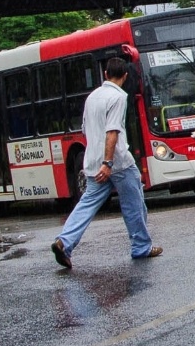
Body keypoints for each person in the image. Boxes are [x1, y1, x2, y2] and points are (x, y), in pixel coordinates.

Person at [51, 56, 162, 270]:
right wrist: (108, 162)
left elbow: (85, 130)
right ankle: (141, 247)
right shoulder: (118, 97)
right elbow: (113, 132)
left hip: (91, 160)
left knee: (86, 204)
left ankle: (64, 242)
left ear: (105, 74)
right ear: (125, 76)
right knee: (134, 203)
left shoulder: (92, 97)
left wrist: (99, 161)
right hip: (117, 162)